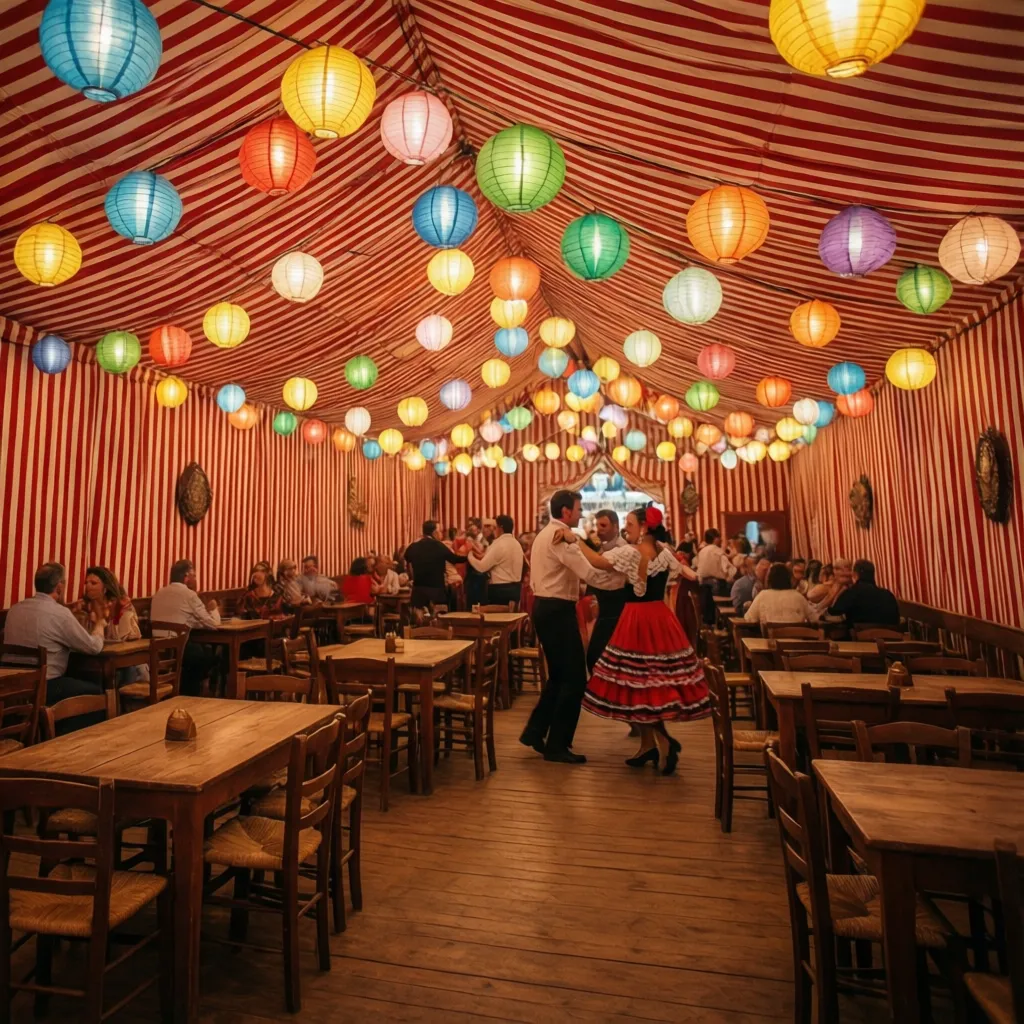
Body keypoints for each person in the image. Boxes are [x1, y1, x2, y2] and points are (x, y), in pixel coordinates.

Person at [568, 506, 710, 775]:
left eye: (630, 524)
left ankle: (664, 742)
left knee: (639, 683)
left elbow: (597, 562)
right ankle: (648, 745)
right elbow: (688, 574)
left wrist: (575, 540)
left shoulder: (631, 552)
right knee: (645, 684)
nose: (626, 528)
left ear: (644, 527)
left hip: (636, 619)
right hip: (660, 618)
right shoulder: (664, 552)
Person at [520, 490, 622, 764]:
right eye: (578, 509)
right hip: (556, 611)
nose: (580, 514)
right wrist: (621, 576)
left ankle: (535, 731)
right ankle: (557, 745)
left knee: (558, 676)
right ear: (566, 512)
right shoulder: (561, 538)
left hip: (545, 608)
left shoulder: (545, 534)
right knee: (575, 679)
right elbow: (590, 573)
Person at [3, 562, 105, 732]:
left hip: (13, 689)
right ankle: (62, 740)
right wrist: (99, 627)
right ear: (59, 587)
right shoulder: (59, 614)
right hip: (44, 688)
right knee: (96, 692)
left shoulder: (15, 610)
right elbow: (93, 647)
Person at [150, 559, 222, 696]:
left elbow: (185, 619)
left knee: (199, 652)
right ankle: (203, 694)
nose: (195, 579)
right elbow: (213, 624)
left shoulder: (158, 593)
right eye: (194, 576)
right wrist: (213, 609)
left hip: (159, 652)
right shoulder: (189, 595)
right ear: (186, 577)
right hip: (181, 653)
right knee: (211, 655)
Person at [585, 509, 629, 672]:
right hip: (606, 608)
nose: (599, 529)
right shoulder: (603, 547)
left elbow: (600, 566)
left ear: (616, 527)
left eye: (603, 525)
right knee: (597, 657)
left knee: (597, 657)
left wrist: (578, 543)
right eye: (597, 525)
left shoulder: (621, 547)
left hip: (616, 609)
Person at [404, 521, 468, 609]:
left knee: (419, 620)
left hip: (418, 590)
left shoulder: (413, 546)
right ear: (434, 532)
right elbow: (455, 559)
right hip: (436, 590)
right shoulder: (439, 546)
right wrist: (469, 557)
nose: (441, 534)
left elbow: (406, 559)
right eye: (440, 531)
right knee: (437, 619)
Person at [73, 566, 142, 642]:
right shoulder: (83, 606)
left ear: (105, 587)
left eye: (93, 583)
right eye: (86, 583)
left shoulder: (121, 605)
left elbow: (128, 637)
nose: (88, 586)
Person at [467, 514, 524, 606]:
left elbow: (482, 567)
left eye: (495, 527)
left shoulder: (499, 544)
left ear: (500, 528)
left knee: (498, 619)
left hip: (500, 591)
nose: (494, 530)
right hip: (516, 590)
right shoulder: (517, 544)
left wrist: (469, 555)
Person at [744, 563, 819, 626]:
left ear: (770, 579)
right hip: (796, 642)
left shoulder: (762, 595)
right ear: (789, 579)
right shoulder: (798, 596)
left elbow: (749, 619)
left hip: (770, 642)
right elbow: (814, 619)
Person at [830, 559, 901, 626]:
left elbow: (833, 612)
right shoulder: (888, 594)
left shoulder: (852, 592)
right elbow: (896, 619)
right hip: (891, 637)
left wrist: (839, 590)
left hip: (858, 637)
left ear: (855, 575)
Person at [694, 528, 736, 623]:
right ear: (715, 538)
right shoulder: (718, 552)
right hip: (717, 585)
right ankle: (724, 624)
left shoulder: (701, 551)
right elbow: (728, 570)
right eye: (719, 537)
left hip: (703, 585)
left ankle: (710, 624)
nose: (721, 539)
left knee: (707, 610)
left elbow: (697, 565)